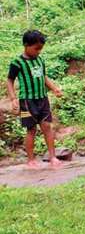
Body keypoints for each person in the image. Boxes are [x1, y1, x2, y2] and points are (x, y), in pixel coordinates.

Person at [6, 30, 64, 169]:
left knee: (47, 127)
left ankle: (52, 157)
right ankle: (31, 160)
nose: (38, 52)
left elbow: (43, 77)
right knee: (31, 129)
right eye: (36, 48)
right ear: (26, 45)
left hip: (42, 99)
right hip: (27, 101)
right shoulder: (17, 63)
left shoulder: (39, 60)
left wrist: (54, 88)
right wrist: (13, 98)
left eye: (41, 49)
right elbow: (9, 80)